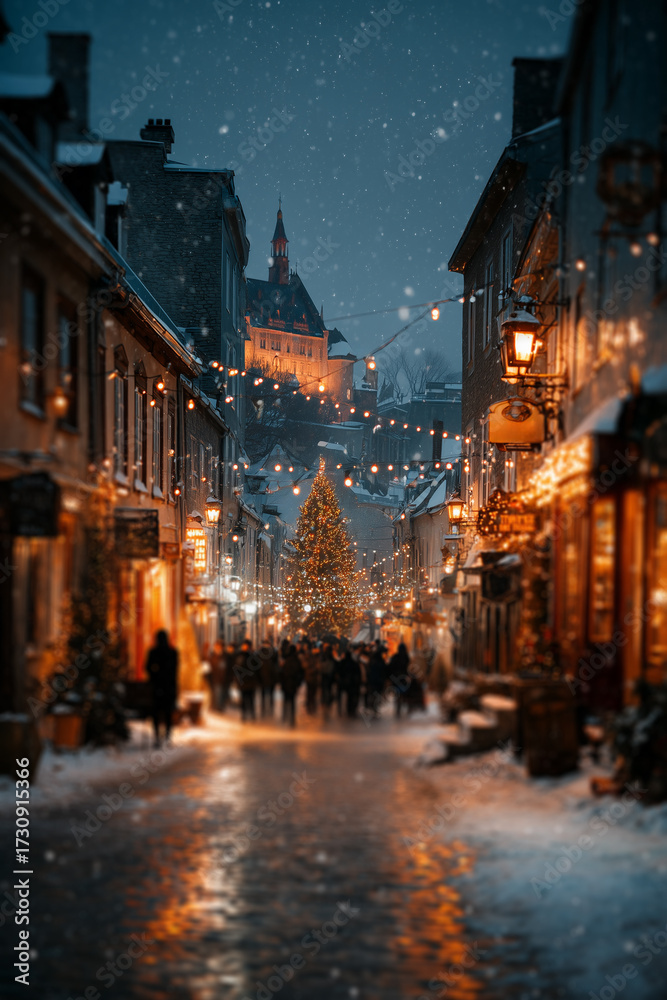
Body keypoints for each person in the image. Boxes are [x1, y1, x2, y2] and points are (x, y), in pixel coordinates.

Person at [145, 629, 179, 746]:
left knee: (157, 712)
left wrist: (155, 675)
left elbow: (148, 667)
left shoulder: (153, 652)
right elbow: (175, 671)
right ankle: (167, 735)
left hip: (157, 686)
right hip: (168, 686)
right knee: (167, 712)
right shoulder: (172, 652)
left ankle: (157, 736)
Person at [280, 644, 303, 727]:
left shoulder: (286, 660)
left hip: (286, 683)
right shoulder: (297, 660)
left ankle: (284, 716)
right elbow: (300, 673)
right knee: (292, 701)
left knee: (286, 700)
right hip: (293, 684)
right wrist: (298, 683)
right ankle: (292, 718)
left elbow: (282, 673)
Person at [235, 638, 257, 721]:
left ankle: (251, 715)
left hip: (250, 682)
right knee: (244, 699)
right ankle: (244, 715)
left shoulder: (251, 657)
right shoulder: (240, 656)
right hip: (244, 682)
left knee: (250, 699)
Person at [388, 642, 411, 717]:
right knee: (404, 694)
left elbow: (390, 668)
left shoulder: (395, 657)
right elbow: (409, 668)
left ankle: (398, 709)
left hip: (396, 679)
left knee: (397, 694)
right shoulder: (406, 657)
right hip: (404, 679)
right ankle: (404, 709)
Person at [259, 639, 278, 718]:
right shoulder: (273, 653)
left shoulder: (260, 654)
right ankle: (269, 709)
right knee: (269, 694)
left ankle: (264, 710)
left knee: (264, 694)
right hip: (269, 677)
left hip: (264, 676)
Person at [320, 643, 336, 717]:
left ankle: (324, 701)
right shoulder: (332, 657)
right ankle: (328, 701)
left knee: (324, 688)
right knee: (329, 689)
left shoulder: (323, 656)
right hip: (330, 676)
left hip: (324, 675)